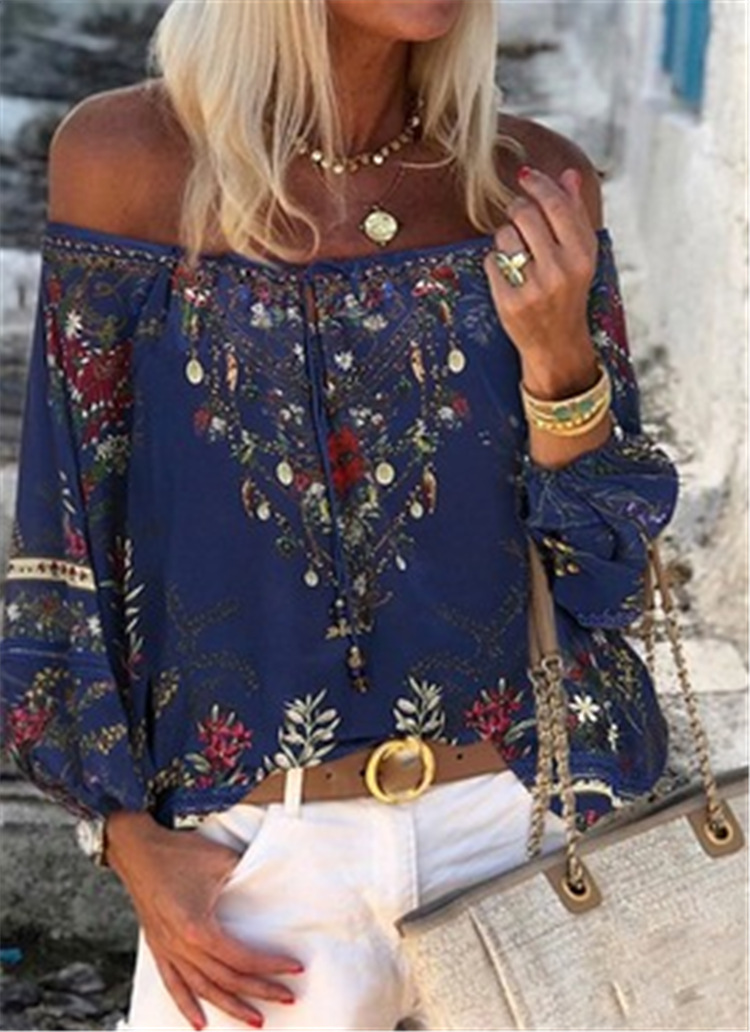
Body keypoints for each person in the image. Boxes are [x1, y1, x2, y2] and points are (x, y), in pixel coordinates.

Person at [0, 1, 679, 1029]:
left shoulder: (530, 185)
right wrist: (125, 836)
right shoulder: (126, 162)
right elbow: (67, 535)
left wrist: (559, 361)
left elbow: (607, 577)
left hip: (526, 832)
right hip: (260, 871)